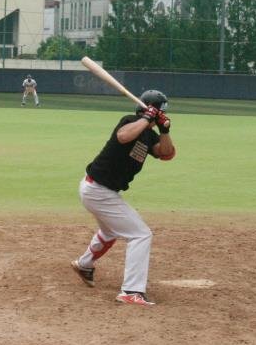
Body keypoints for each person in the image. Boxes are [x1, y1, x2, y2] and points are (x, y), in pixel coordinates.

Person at [70, 90, 176, 306]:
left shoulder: (149, 134)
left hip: (101, 191)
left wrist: (164, 130)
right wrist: (146, 118)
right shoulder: (130, 122)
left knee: (110, 231)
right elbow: (123, 136)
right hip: (98, 190)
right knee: (141, 234)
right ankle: (131, 291)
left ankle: (84, 265)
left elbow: (167, 154)